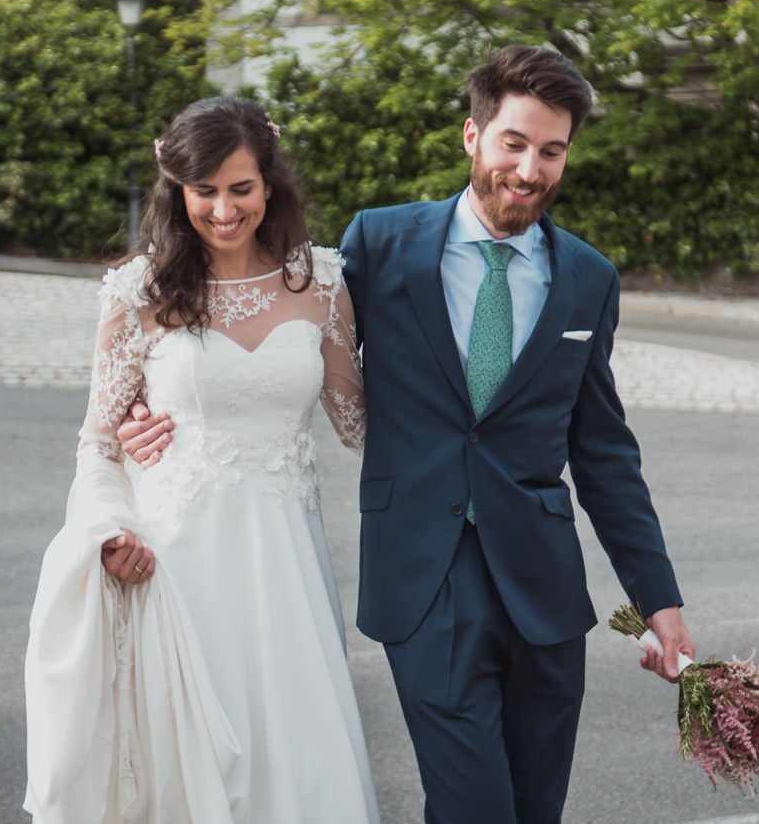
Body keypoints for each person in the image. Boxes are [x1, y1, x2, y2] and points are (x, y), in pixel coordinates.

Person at [121, 46, 693, 824]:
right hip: (425, 581)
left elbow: (603, 451)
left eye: (551, 150)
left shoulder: (590, 277)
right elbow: (262, 304)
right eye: (514, 144)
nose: (530, 169)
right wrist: (161, 399)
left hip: (545, 594)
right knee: (475, 810)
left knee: (534, 811)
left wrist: (658, 598)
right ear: (473, 135)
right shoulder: (379, 244)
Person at [23, 96, 378, 824]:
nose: (223, 209)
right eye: (204, 191)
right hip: (177, 559)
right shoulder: (138, 292)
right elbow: (97, 439)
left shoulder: (323, 283)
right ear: (177, 191)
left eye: (240, 188)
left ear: (269, 183)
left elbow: (360, 424)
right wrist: (111, 525)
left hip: (286, 565)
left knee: (297, 749)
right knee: (187, 753)